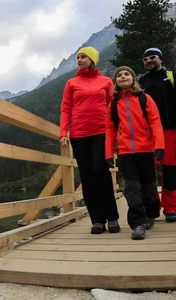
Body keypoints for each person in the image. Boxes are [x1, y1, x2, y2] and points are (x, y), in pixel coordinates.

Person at [60, 46, 120, 234]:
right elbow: (66, 109)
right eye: (78, 57)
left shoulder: (106, 81)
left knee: (101, 171)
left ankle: (112, 218)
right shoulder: (71, 83)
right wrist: (64, 132)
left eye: (83, 56)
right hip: (79, 134)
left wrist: (116, 130)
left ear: (92, 59)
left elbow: (112, 105)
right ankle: (97, 220)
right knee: (87, 176)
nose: (79, 59)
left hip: (101, 131)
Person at [106, 66, 165, 240]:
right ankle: (138, 223)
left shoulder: (144, 99)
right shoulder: (113, 105)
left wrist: (159, 146)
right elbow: (109, 131)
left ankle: (152, 212)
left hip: (146, 149)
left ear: (133, 79)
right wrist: (109, 154)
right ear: (115, 82)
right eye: (119, 75)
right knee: (131, 188)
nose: (123, 77)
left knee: (149, 189)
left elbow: (155, 122)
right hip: (125, 152)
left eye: (127, 74)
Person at [138, 48, 176, 223]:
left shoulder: (172, 76)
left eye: (152, 57)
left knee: (169, 169)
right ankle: (150, 208)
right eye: (145, 59)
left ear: (160, 59)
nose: (149, 60)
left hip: (169, 129)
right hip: (147, 133)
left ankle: (170, 208)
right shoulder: (141, 82)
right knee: (147, 172)